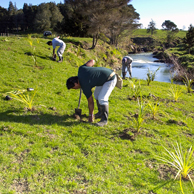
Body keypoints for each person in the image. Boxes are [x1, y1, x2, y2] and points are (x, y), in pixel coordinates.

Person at [66, 59, 117, 127]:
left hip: (110, 78)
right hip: (103, 78)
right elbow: (92, 61)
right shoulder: (81, 69)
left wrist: (90, 116)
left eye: (73, 88)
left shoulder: (85, 86)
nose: (75, 89)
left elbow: (90, 102)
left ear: (75, 83)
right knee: (96, 95)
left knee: (102, 98)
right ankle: (100, 113)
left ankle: (104, 120)